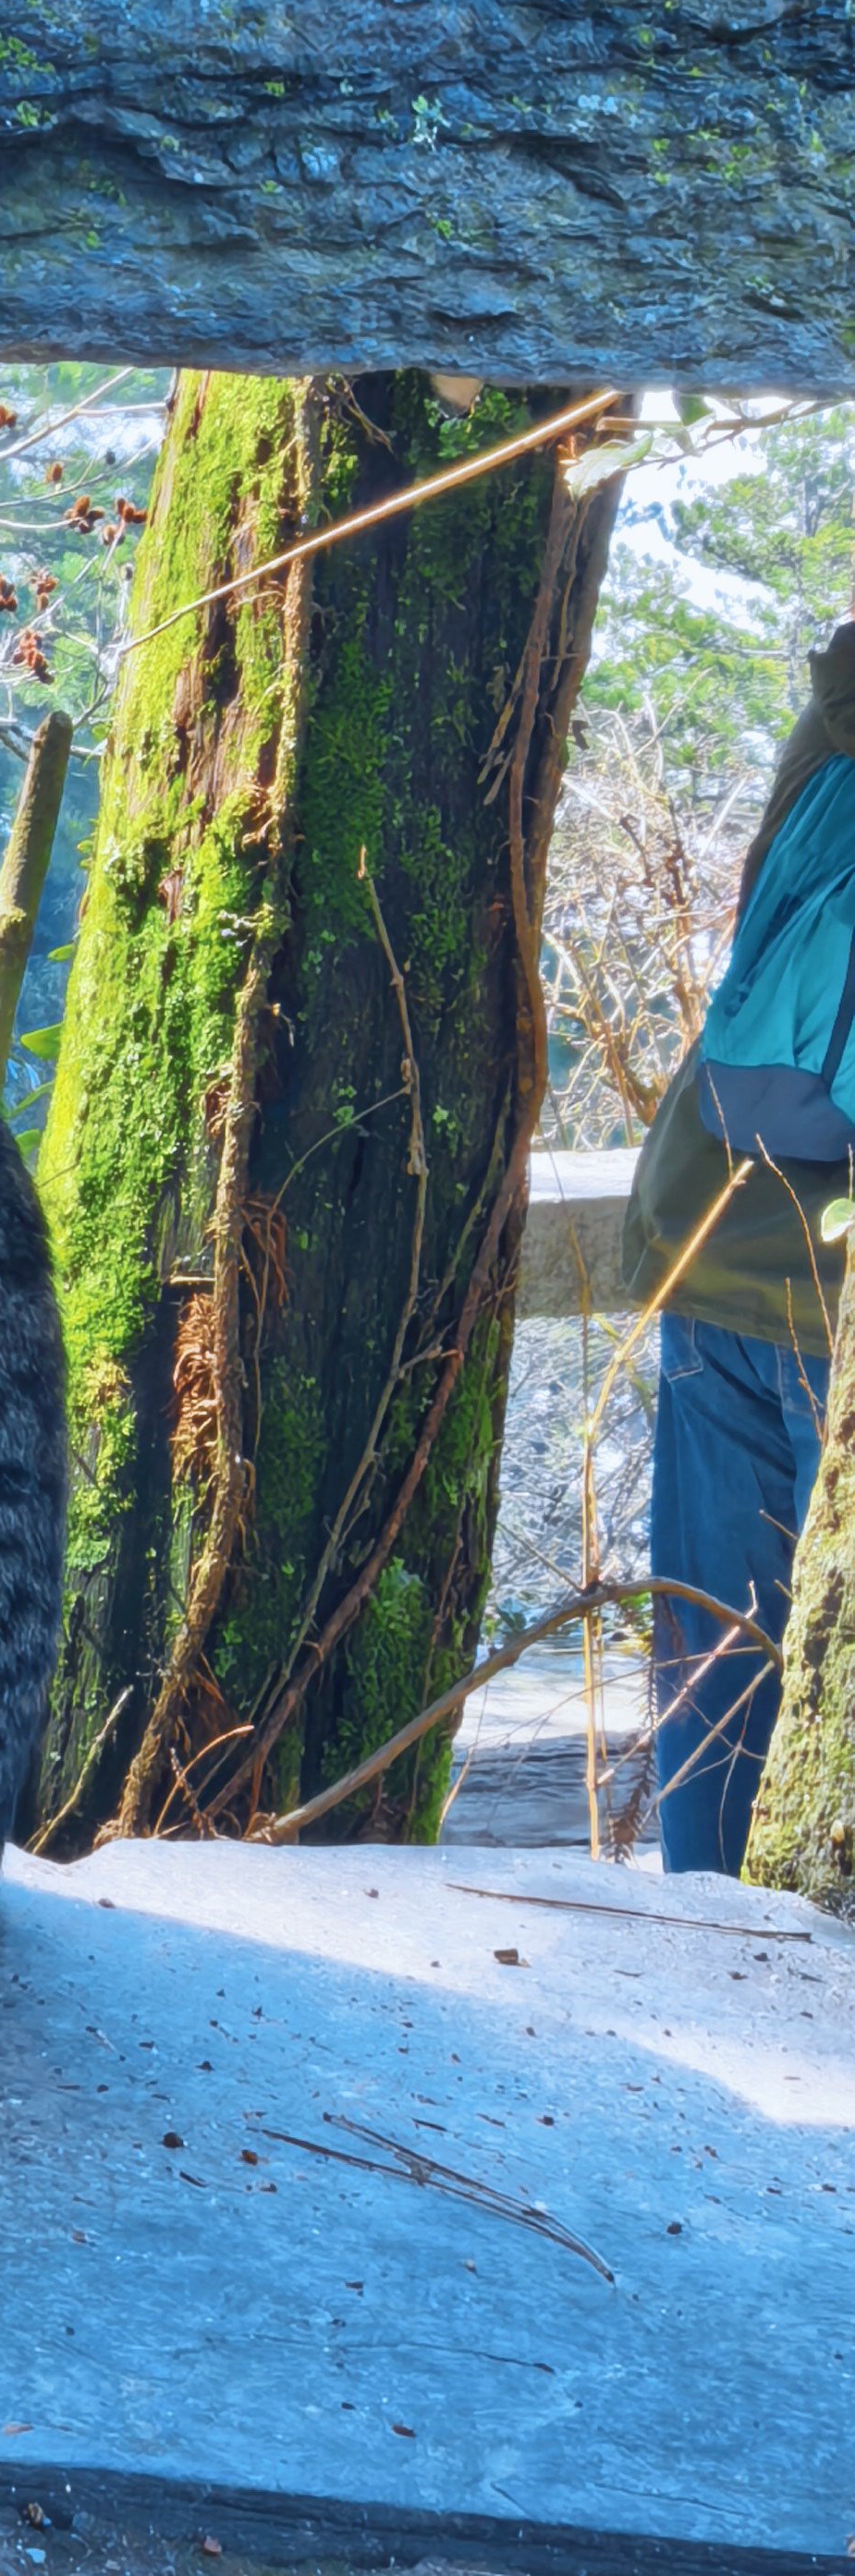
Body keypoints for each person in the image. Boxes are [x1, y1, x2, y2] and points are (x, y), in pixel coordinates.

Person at [621, 624, 851, 1873]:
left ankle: (702, 1948)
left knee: (714, 1666)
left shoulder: (830, 726)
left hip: (714, 1234)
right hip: (834, 1313)